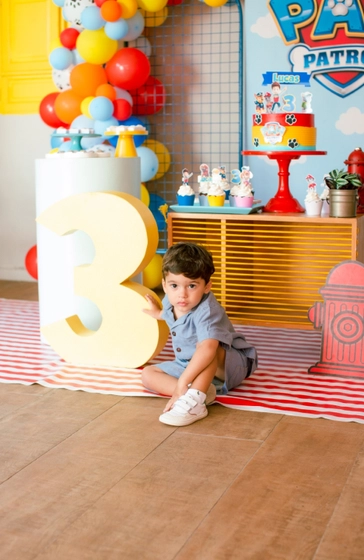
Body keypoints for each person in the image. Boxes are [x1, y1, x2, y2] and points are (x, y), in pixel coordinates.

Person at [142, 242, 258, 427]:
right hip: (189, 363)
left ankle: (195, 400)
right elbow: (172, 316)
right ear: (164, 285)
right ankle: (200, 392)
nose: (182, 294)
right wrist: (158, 313)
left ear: (206, 286)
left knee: (206, 346)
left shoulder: (208, 311)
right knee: (148, 374)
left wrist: (183, 381)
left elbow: (207, 349)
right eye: (174, 285)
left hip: (228, 365)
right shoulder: (171, 302)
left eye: (192, 286)